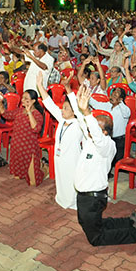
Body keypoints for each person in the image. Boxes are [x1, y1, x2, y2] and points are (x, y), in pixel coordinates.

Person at [73, 85, 136, 246]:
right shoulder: (90, 140)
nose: (90, 129)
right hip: (85, 196)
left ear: (104, 132)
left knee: (96, 238)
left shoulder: (106, 145)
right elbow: (82, 121)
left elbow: (94, 131)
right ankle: (130, 221)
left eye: (95, 127)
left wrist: (87, 112)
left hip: (93, 197)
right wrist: (75, 99)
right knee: (90, 223)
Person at [36, 72, 82, 209]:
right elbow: (49, 104)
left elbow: (79, 110)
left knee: (71, 180)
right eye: (63, 107)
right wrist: (40, 86)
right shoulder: (62, 120)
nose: (62, 110)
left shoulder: (79, 124)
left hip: (72, 158)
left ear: (74, 112)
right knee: (61, 179)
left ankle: (72, 201)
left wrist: (68, 90)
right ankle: (62, 198)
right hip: (60, 155)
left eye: (66, 108)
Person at [0, 89, 45, 186]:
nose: (22, 100)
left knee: (33, 183)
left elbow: (36, 128)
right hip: (17, 147)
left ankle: (45, 169)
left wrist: (29, 112)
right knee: (17, 176)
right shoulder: (19, 111)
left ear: (33, 101)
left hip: (29, 149)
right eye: (22, 98)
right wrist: (0, 102)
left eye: (26, 98)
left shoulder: (37, 114)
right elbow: (5, 114)